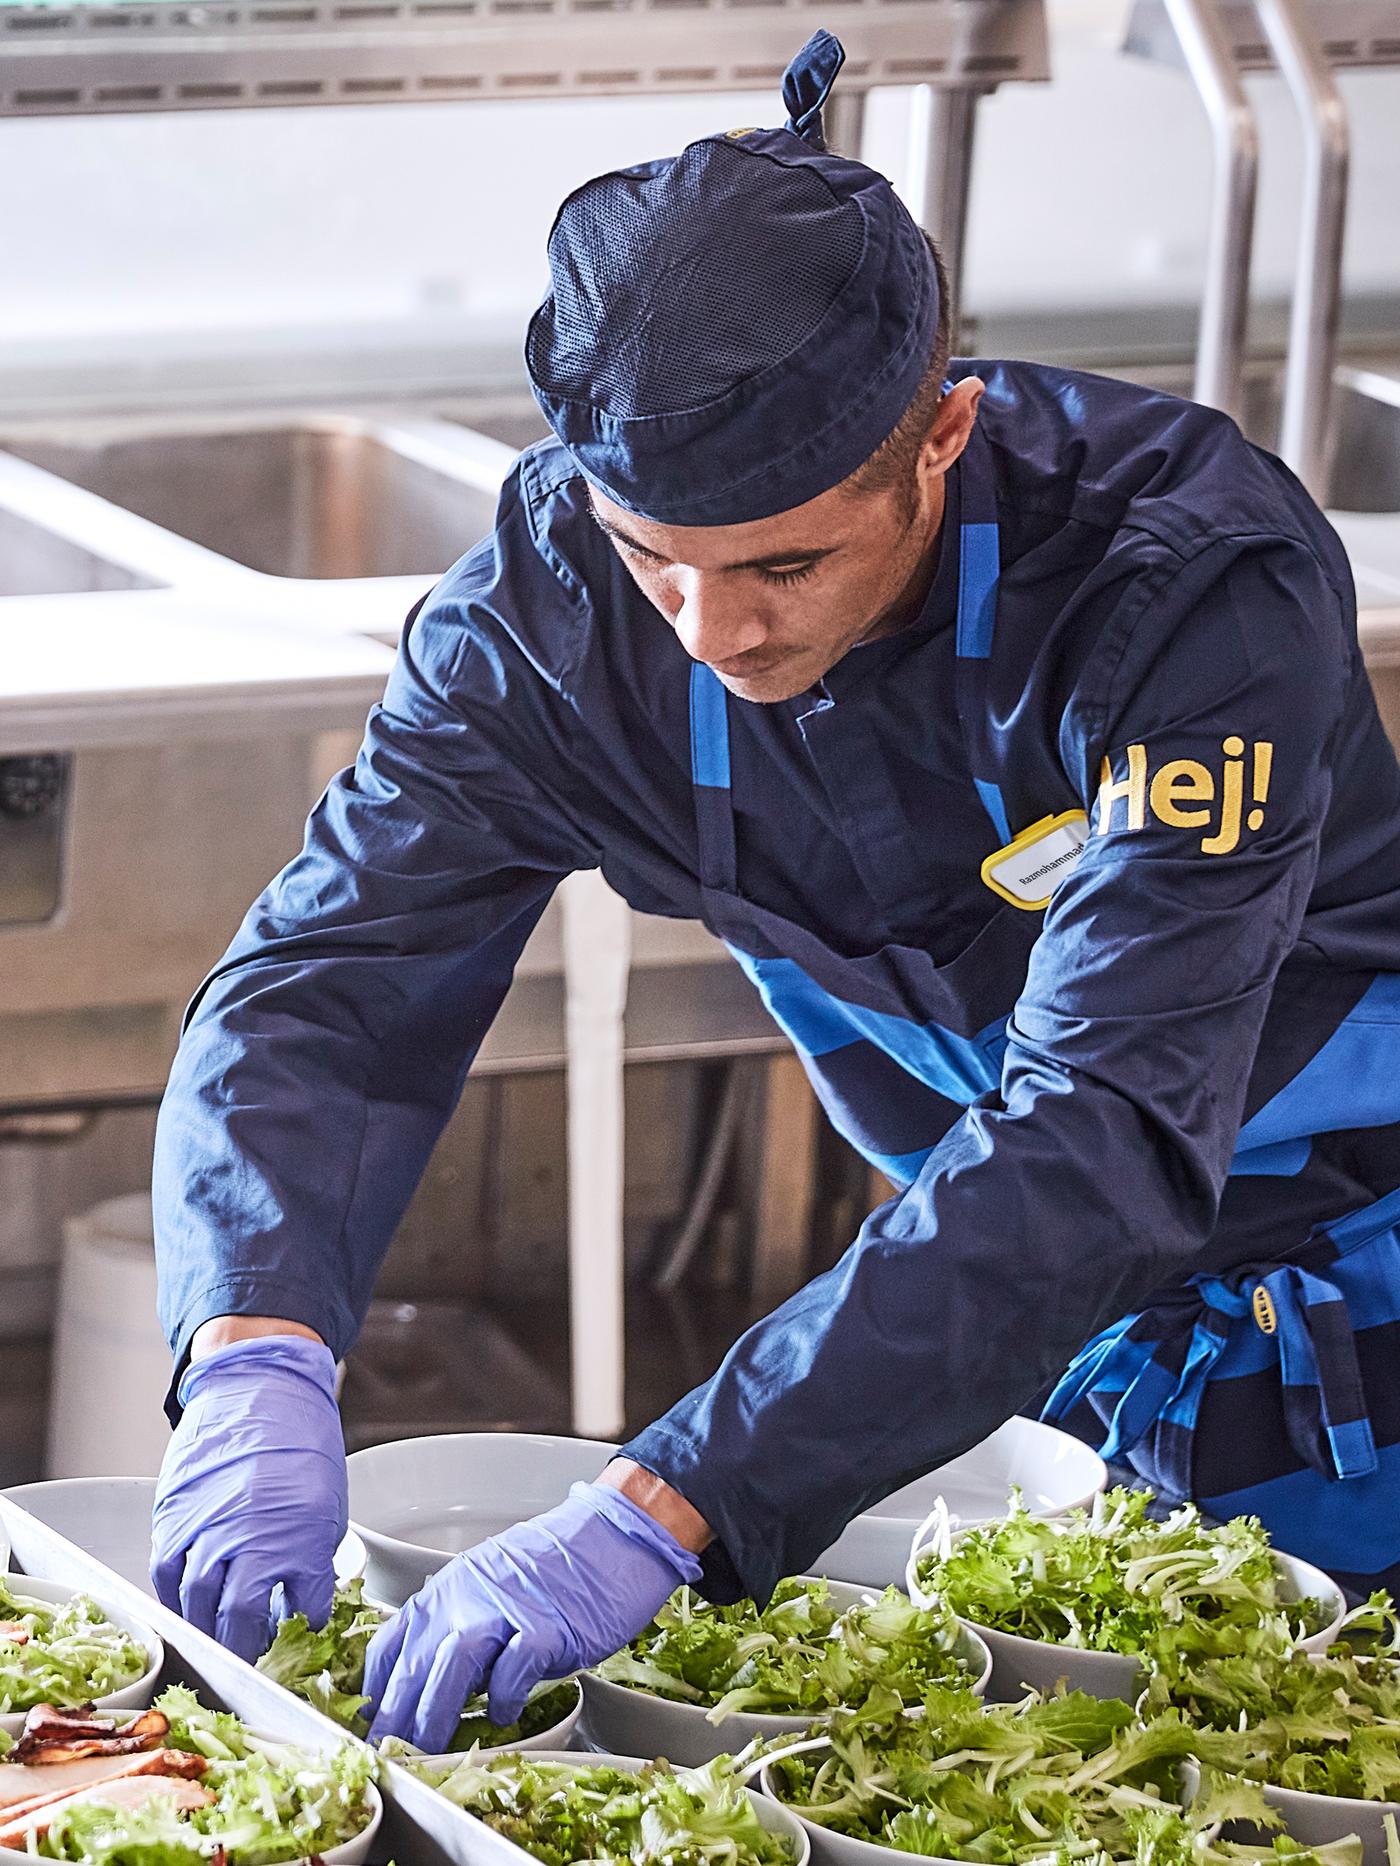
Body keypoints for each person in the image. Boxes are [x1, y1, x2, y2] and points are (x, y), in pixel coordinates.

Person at [149, 29, 1400, 1754]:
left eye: (785, 561)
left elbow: (1100, 1128)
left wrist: (664, 1502)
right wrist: (252, 1343)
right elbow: (328, 989)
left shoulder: (1185, 590)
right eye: (650, 554)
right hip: (994, 1342)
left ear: (941, 434)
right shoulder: (548, 624)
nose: (710, 631)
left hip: (1353, 1327)